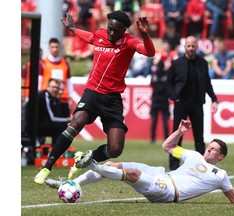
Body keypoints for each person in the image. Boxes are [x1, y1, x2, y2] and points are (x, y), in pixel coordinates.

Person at [34, 10, 155, 184]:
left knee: (115, 149)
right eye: (109, 28)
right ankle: (47, 166)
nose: (111, 33)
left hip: (112, 99)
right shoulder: (101, 35)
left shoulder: (129, 42)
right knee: (76, 122)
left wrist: (145, 35)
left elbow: (149, 52)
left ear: (124, 30)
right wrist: (72, 28)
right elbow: (89, 36)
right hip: (92, 93)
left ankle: (87, 157)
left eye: (116, 30)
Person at [45, 119, 234, 205]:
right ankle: (71, 184)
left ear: (221, 157)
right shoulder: (195, 156)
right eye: (210, 146)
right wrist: (178, 132)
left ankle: (91, 164)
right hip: (162, 175)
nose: (209, 149)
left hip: (169, 191)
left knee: (134, 175)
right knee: (113, 166)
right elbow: (167, 147)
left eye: (214, 149)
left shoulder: (220, 176)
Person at [167, 36, 218, 170]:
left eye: (193, 46)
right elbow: (168, 82)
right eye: (188, 46)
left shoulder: (202, 63)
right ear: (185, 47)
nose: (191, 48)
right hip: (181, 103)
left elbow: (207, 83)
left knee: (199, 138)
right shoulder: (177, 63)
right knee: (177, 137)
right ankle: (174, 169)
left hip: (197, 104)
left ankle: (201, 168)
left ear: (196, 47)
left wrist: (214, 99)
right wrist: (173, 96)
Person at [24, 78, 71, 147]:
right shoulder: (44, 96)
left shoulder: (51, 98)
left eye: (57, 88)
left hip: (35, 125)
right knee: (61, 126)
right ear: (48, 87)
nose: (55, 90)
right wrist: (68, 119)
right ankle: (55, 150)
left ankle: (55, 148)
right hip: (31, 127)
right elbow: (52, 118)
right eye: (53, 87)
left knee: (60, 125)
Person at [39, 37, 74, 113]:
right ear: (49, 48)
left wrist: (70, 97)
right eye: (52, 47)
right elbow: (39, 80)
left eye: (56, 47)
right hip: (47, 97)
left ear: (60, 48)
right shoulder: (43, 63)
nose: (55, 49)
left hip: (62, 98)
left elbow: (69, 81)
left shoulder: (65, 63)